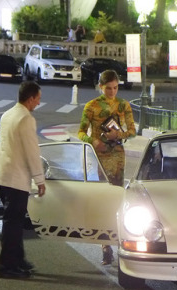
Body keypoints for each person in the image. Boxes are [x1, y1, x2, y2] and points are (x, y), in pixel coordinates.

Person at [78, 70, 136, 265]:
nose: (112, 91)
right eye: (108, 88)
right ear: (100, 86)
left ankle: (120, 242)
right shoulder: (91, 106)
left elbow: (132, 131)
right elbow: (80, 132)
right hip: (101, 158)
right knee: (104, 200)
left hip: (118, 158)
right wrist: (93, 141)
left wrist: (117, 136)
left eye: (115, 87)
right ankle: (105, 247)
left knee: (118, 201)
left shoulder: (123, 105)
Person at [0, 81, 46, 279]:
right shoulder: (26, 119)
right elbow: (32, 152)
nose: (38, 103)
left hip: (2, 176)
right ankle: (7, 266)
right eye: (38, 99)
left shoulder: (7, 115)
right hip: (15, 179)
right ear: (31, 98)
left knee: (13, 222)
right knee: (13, 224)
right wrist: (39, 179)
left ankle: (18, 259)